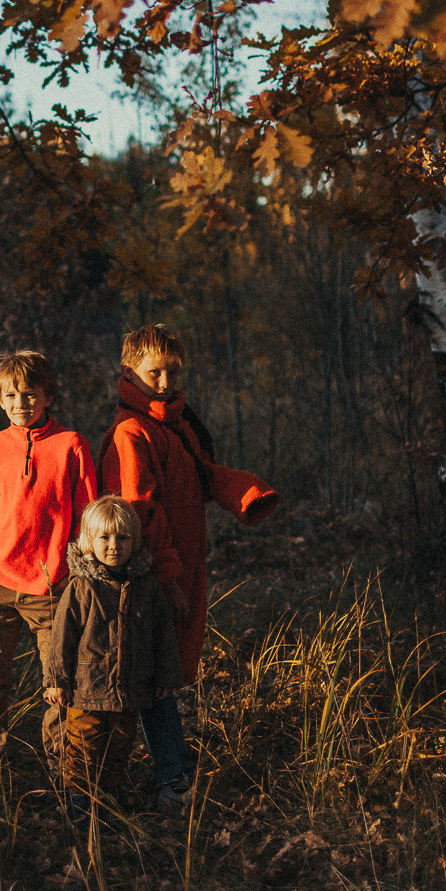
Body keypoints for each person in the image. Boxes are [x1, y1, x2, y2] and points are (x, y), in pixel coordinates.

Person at [97, 324, 279, 810]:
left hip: (180, 566)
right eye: (153, 371)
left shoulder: (175, 424)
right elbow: (138, 512)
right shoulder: (131, 432)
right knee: (153, 675)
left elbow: (201, 474)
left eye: (171, 371)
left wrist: (245, 493)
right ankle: (168, 780)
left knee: (166, 671)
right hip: (151, 575)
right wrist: (167, 577)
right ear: (128, 370)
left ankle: (167, 768)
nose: (163, 381)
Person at [0, 349, 97, 764]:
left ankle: (66, 771)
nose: (20, 404)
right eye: (10, 396)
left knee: (60, 681)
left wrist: (75, 575)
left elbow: (87, 512)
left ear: (48, 396)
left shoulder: (70, 444)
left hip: (51, 587)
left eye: (28, 394)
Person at [44, 496, 184, 819]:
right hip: (87, 691)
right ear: (89, 541)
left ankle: (109, 800)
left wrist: (165, 677)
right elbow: (61, 638)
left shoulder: (146, 586)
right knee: (83, 747)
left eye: (122, 538)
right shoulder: (81, 587)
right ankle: (80, 806)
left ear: (134, 541)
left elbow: (163, 635)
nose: (113, 546)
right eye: (104, 538)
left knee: (119, 748)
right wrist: (56, 681)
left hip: (129, 691)